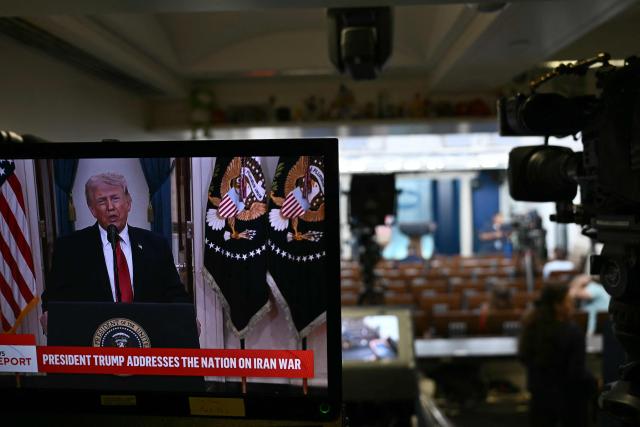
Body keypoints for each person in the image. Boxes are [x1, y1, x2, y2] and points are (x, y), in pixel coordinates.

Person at [40, 172, 190, 330]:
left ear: (128, 203)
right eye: (102, 201)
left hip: (148, 337)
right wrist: (49, 314)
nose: (110, 207)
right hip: (93, 341)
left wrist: (187, 317)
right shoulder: (70, 248)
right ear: (92, 210)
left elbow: (175, 293)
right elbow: (54, 297)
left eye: (115, 198)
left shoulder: (155, 244)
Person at [518, 283, 596, 427]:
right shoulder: (572, 332)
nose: (572, 303)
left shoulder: (531, 326)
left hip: (539, 397)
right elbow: (577, 372)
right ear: (557, 305)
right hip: (569, 400)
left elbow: (524, 358)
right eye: (568, 300)